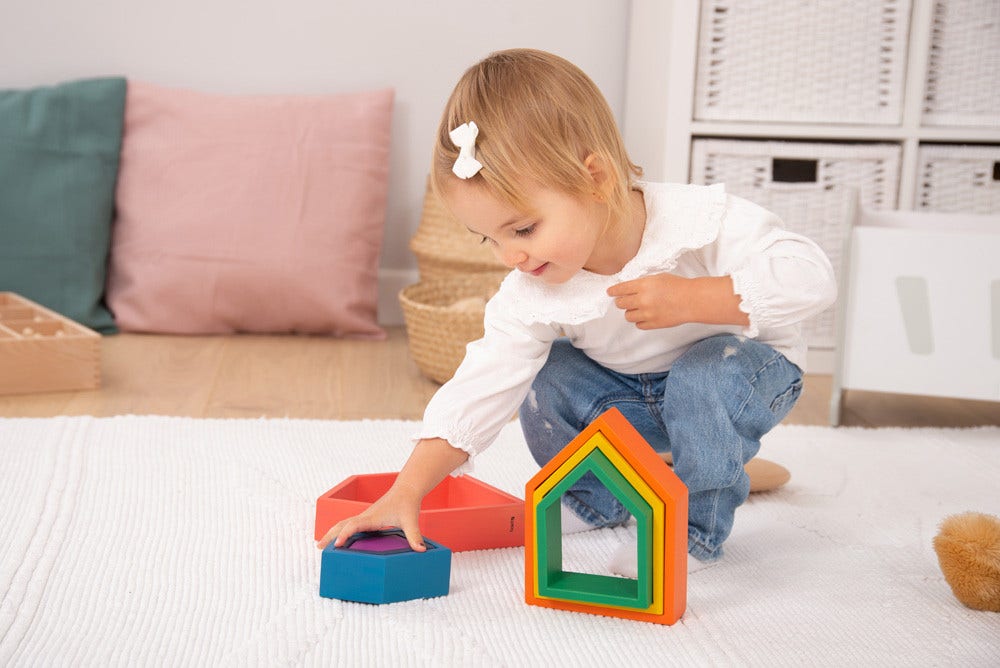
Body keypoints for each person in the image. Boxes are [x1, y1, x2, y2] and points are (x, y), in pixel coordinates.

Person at [317, 48, 837, 573]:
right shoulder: (533, 288)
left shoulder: (696, 222)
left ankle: (690, 533)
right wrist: (408, 491)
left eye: (522, 229)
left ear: (595, 177)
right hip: (633, 394)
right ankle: (600, 497)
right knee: (550, 373)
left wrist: (694, 299)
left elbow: (813, 277)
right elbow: (481, 384)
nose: (511, 256)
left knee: (703, 375)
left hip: (742, 377)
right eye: (488, 239)